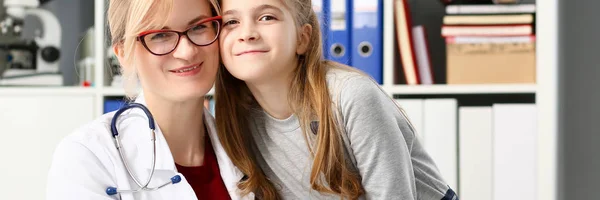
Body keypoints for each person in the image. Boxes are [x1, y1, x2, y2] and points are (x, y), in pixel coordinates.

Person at [214, 0, 459, 199]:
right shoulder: (238, 119)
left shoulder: (350, 96)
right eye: (231, 22)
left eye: (267, 17)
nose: (246, 34)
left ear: (303, 38)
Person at [46, 0, 253, 199]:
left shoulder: (249, 147)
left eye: (198, 27)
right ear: (124, 54)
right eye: (160, 35)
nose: (187, 51)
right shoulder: (87, 157)